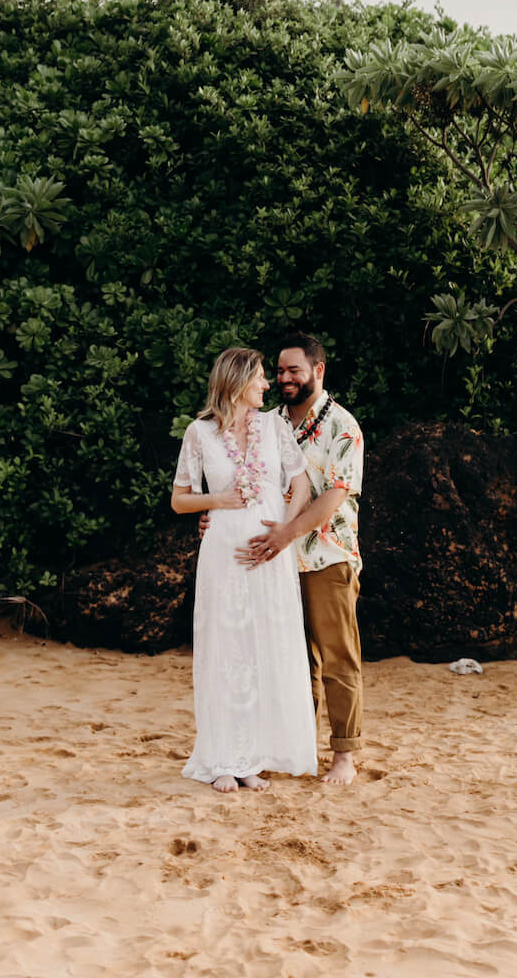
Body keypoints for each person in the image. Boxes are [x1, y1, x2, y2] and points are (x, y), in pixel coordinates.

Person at [171, 345, 318, 792]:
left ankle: (250, 758)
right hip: (223, 552)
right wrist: (217, 500)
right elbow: (179, 499)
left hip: (268, 554)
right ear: (236, 382)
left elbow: (301, 482)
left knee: (261, 647)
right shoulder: (199, 434)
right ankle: (220, 759)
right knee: (225, 647)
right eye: (259, 377)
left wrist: (284, 530)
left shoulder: (273, 427)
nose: (267, 384)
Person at [239, 334, 364, 786]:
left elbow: (333, 495)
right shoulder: (263, 423)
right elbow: (244, 481)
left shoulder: (343, 427)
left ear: (318, 370)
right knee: (290, 662)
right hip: (275, 565)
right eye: (280, 370)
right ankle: (295, 747)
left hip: (327, 558)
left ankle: (345, 755)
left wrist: (288, 533)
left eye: (295, 370)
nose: (285, 378)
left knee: (337, 660)